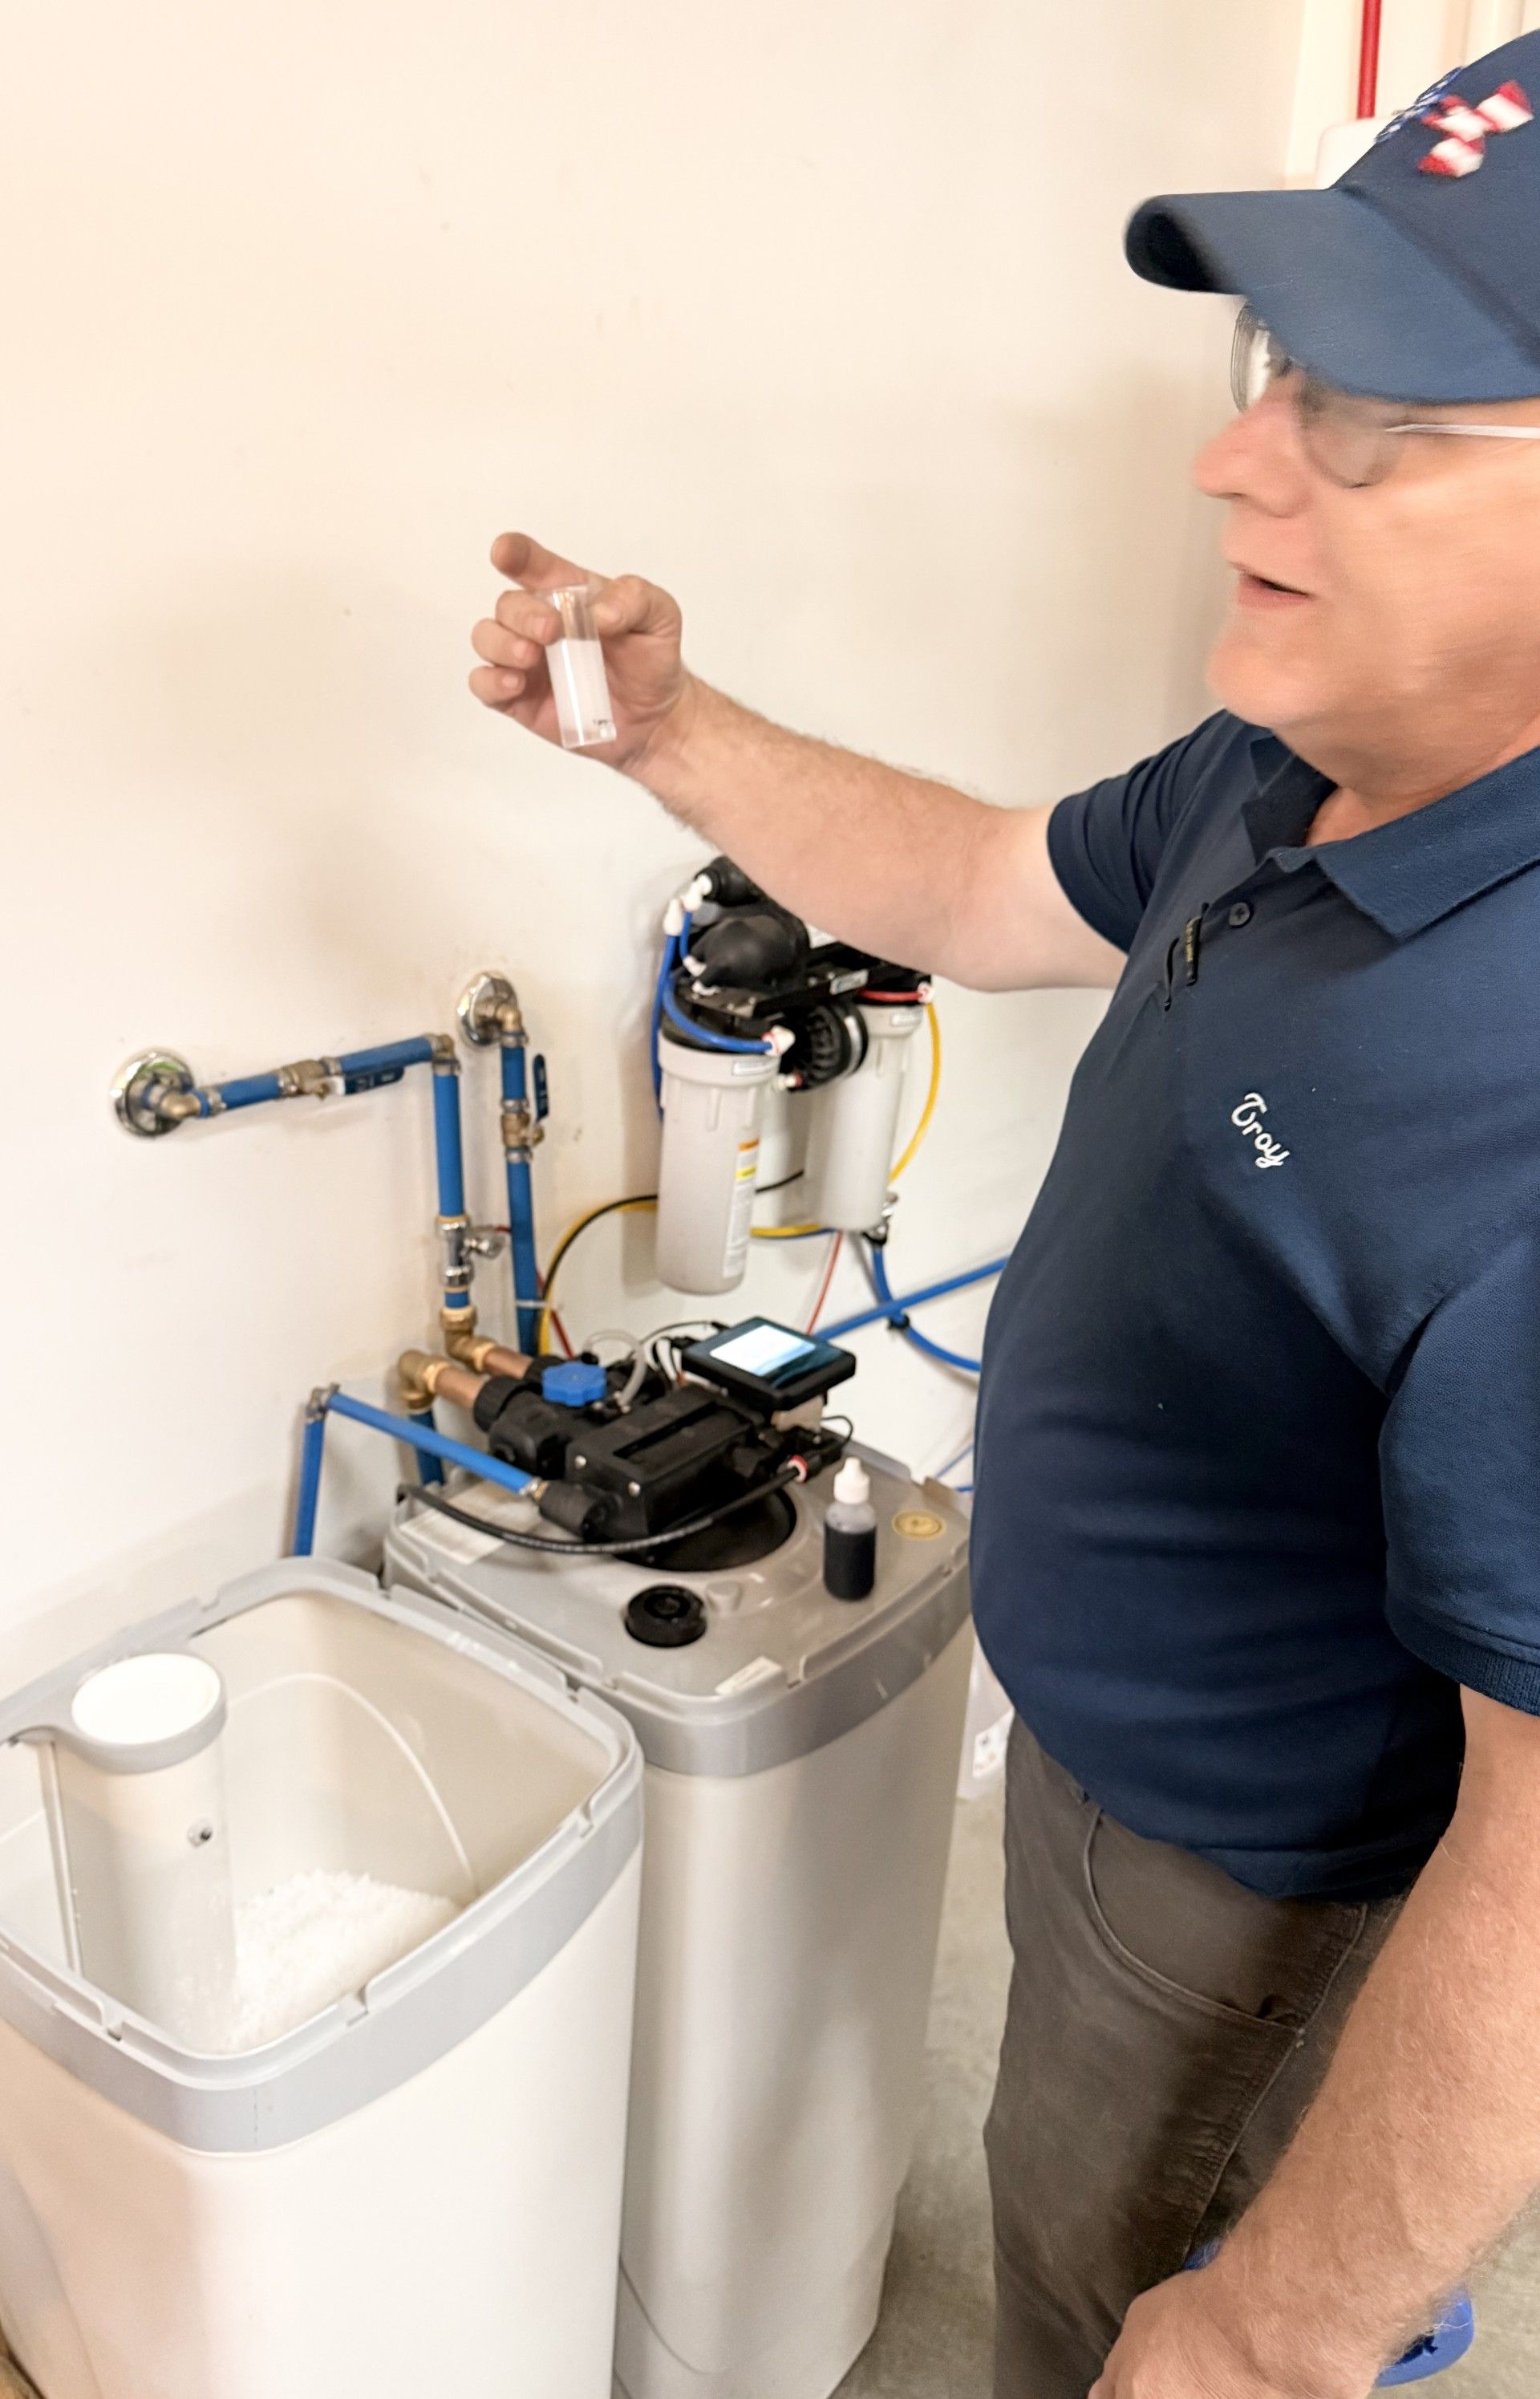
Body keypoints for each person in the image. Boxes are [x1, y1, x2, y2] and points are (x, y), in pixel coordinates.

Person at [470, 30, 1540, 2399]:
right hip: (1103, 1741)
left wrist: (1273, 2333)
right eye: (1281, 365)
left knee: (1125, 2294)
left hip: (1253, 1879)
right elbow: (969, 879)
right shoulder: (1298, 767)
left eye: (1376, 416)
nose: (1233, 452)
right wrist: (667, 729)